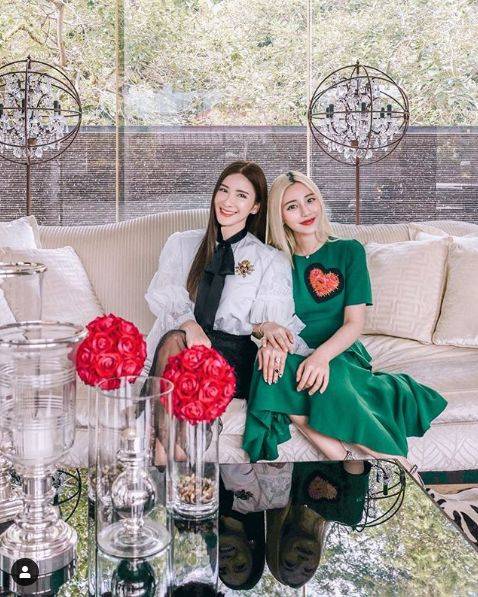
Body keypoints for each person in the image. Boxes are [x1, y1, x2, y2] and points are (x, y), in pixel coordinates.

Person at [242, 170, 448, 481]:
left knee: (327, 377)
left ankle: (399, 466)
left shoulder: (349, 250)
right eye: (292, 206)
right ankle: (347, 460)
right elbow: (250, 317)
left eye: (310, 200)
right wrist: (267, 333)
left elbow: (354, 324)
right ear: (279, 215)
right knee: (268, 368)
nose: (306, 211)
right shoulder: (274, 260)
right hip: (295, 350)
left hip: (340, 350)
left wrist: (321, 357)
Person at [145, 161, 307, 403]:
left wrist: (269, 327)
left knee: (178, 347)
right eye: (223, 190)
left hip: (233, 356)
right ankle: (168, 428)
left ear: (255, 206)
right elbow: (168, 299)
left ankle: (161, 425)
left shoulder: (269, 259)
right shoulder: (181, 245)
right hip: (187, 341)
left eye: (241, 195)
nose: (228, 201)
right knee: (175, 340)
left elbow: (272, 325)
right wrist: (191, 326)